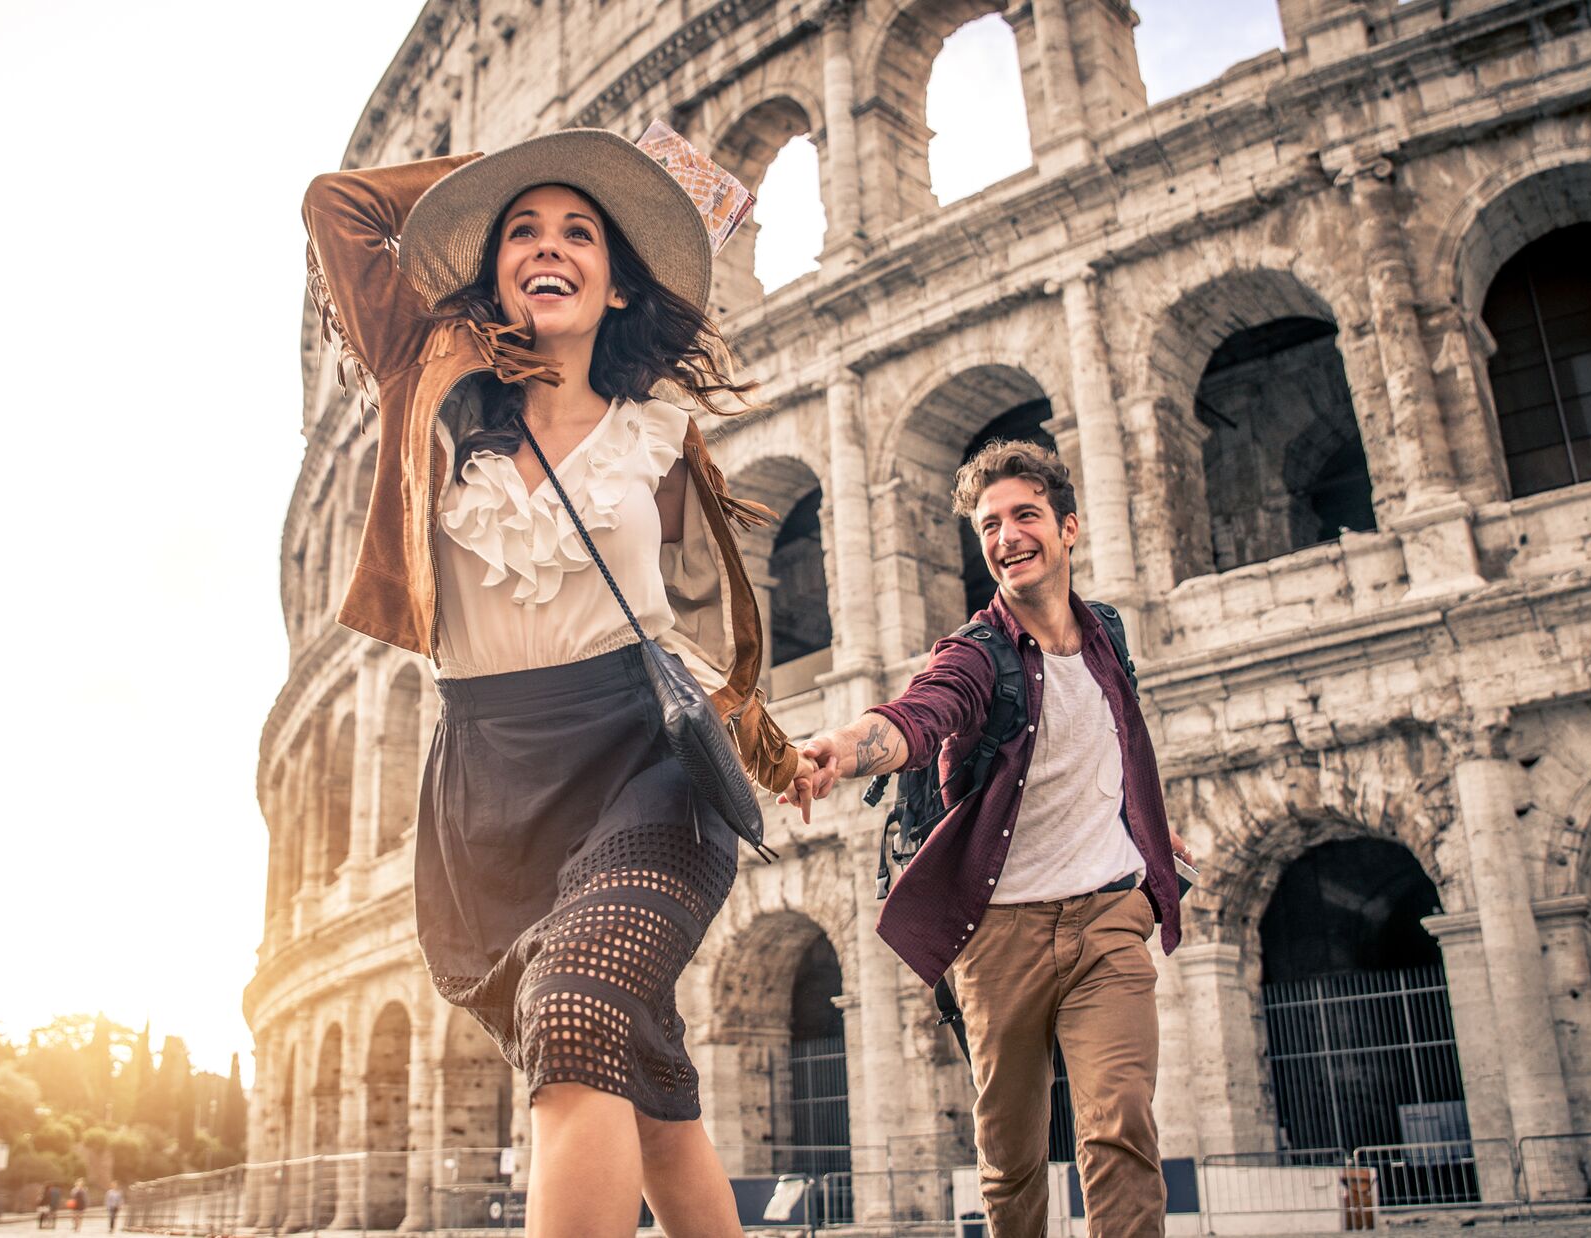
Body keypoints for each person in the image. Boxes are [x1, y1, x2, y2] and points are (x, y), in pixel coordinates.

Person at [302, 127, 801, 1238]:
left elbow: (706, 627)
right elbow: (337, 204)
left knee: (574, 1017)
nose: (549, 244)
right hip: (490, 779)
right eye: (522, 232)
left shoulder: (659, 441)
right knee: (650, 1092)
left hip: (640, 762)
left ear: (620, 284)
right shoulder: (424, 381)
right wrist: (487, 188)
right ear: (491, 269)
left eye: (581, 231)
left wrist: (771, 746)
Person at [785, 440, 1193, 1237]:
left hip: (1109, 918)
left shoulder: (1108, 634)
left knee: (1121, 1130)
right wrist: (843, 747)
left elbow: (1114, 746)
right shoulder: (976, 654)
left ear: (1068, 528)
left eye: (1025, 515)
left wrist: (1143, 821)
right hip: (1000, 936)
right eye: (990, 525)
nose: (1007, 535)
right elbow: (916, 717)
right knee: (1010, 1163)